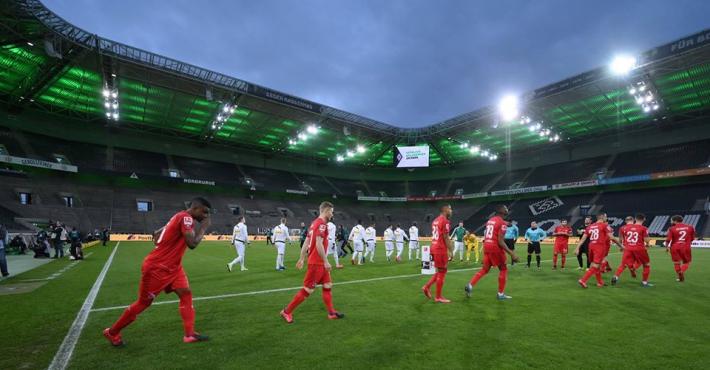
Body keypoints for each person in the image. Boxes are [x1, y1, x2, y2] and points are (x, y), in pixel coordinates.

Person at [103, 197, 212, 346]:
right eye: (204, 212)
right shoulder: (186, 218)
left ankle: (189, 334)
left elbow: (157, 233)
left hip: (173, 267)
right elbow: (192, 244)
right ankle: (112, 332)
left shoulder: (178, 215)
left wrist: (159, 234)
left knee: (186, 293)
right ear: (195, 208)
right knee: (143, 303)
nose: (206, 216)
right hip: (157, 268)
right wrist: (204, 228)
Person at [280, 202, 344, 323]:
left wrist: (302, 258)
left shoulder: (314, 223)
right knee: (308, 290)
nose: (332, 214)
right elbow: (318, 243)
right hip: (317, 263)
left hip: (318, 262)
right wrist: (325, 261)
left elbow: (307, 241)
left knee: (328, 285)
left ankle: (331, 313)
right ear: (326, 210)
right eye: (331, 211)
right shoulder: (322, 225)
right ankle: (286, 311)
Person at [465, 205, 519, 300]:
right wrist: (512, 253)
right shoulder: (502, 223)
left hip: (487, 246)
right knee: (503, 269)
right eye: (506, 208)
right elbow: (501, 241)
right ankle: (500, 294)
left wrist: (505, 223)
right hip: (495, 248)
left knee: (485, 270)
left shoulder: (490, 221)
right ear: (502, 211)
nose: (507, 210)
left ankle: (470, 285)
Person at [575, 212, 622, 288]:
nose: (606, 218)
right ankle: (583, 280)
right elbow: (612, 238)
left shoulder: (590, 227)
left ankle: (600, 282)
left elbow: (583, 238)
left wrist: (577, 248)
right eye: (606, 217)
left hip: (591, 247)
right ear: (602, 217)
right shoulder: (604, 225)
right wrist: (621, 246)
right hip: (599, 247)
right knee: (595, 265)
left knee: (597, 265)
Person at [422, 204, 454, 303]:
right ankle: (438, 297)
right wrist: (451, 250)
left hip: (434, 247)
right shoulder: (445, 221)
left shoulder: (435, 220)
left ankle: (427, 287)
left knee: (440, 271)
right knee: (442, 271)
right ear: (445, 210)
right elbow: (446, 237)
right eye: (450, 209)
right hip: (440, 248)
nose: (451, 211)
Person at [613, 214, 652, 287]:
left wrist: (621, 246)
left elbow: (621, 238)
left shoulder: (626, 227)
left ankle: (616, 276)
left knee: (623, 264)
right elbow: (646, 240)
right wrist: (648, 243)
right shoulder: (643, 228)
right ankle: (644, 282)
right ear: (644, 220)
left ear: (635, 219)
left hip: (628, 248)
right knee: (646, 265)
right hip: (639, 248)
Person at [665, 215, 695, 282]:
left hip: (674, 247)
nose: (671, 221)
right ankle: (681, 271)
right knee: (686, 262)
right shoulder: (690, 227)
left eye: (671, 220)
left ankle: (680, 277)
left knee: (676, 263)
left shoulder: (671, 228)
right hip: (685, 246)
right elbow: (692, 238)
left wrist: (667, 247)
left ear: (675, 221)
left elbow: (668, 239)